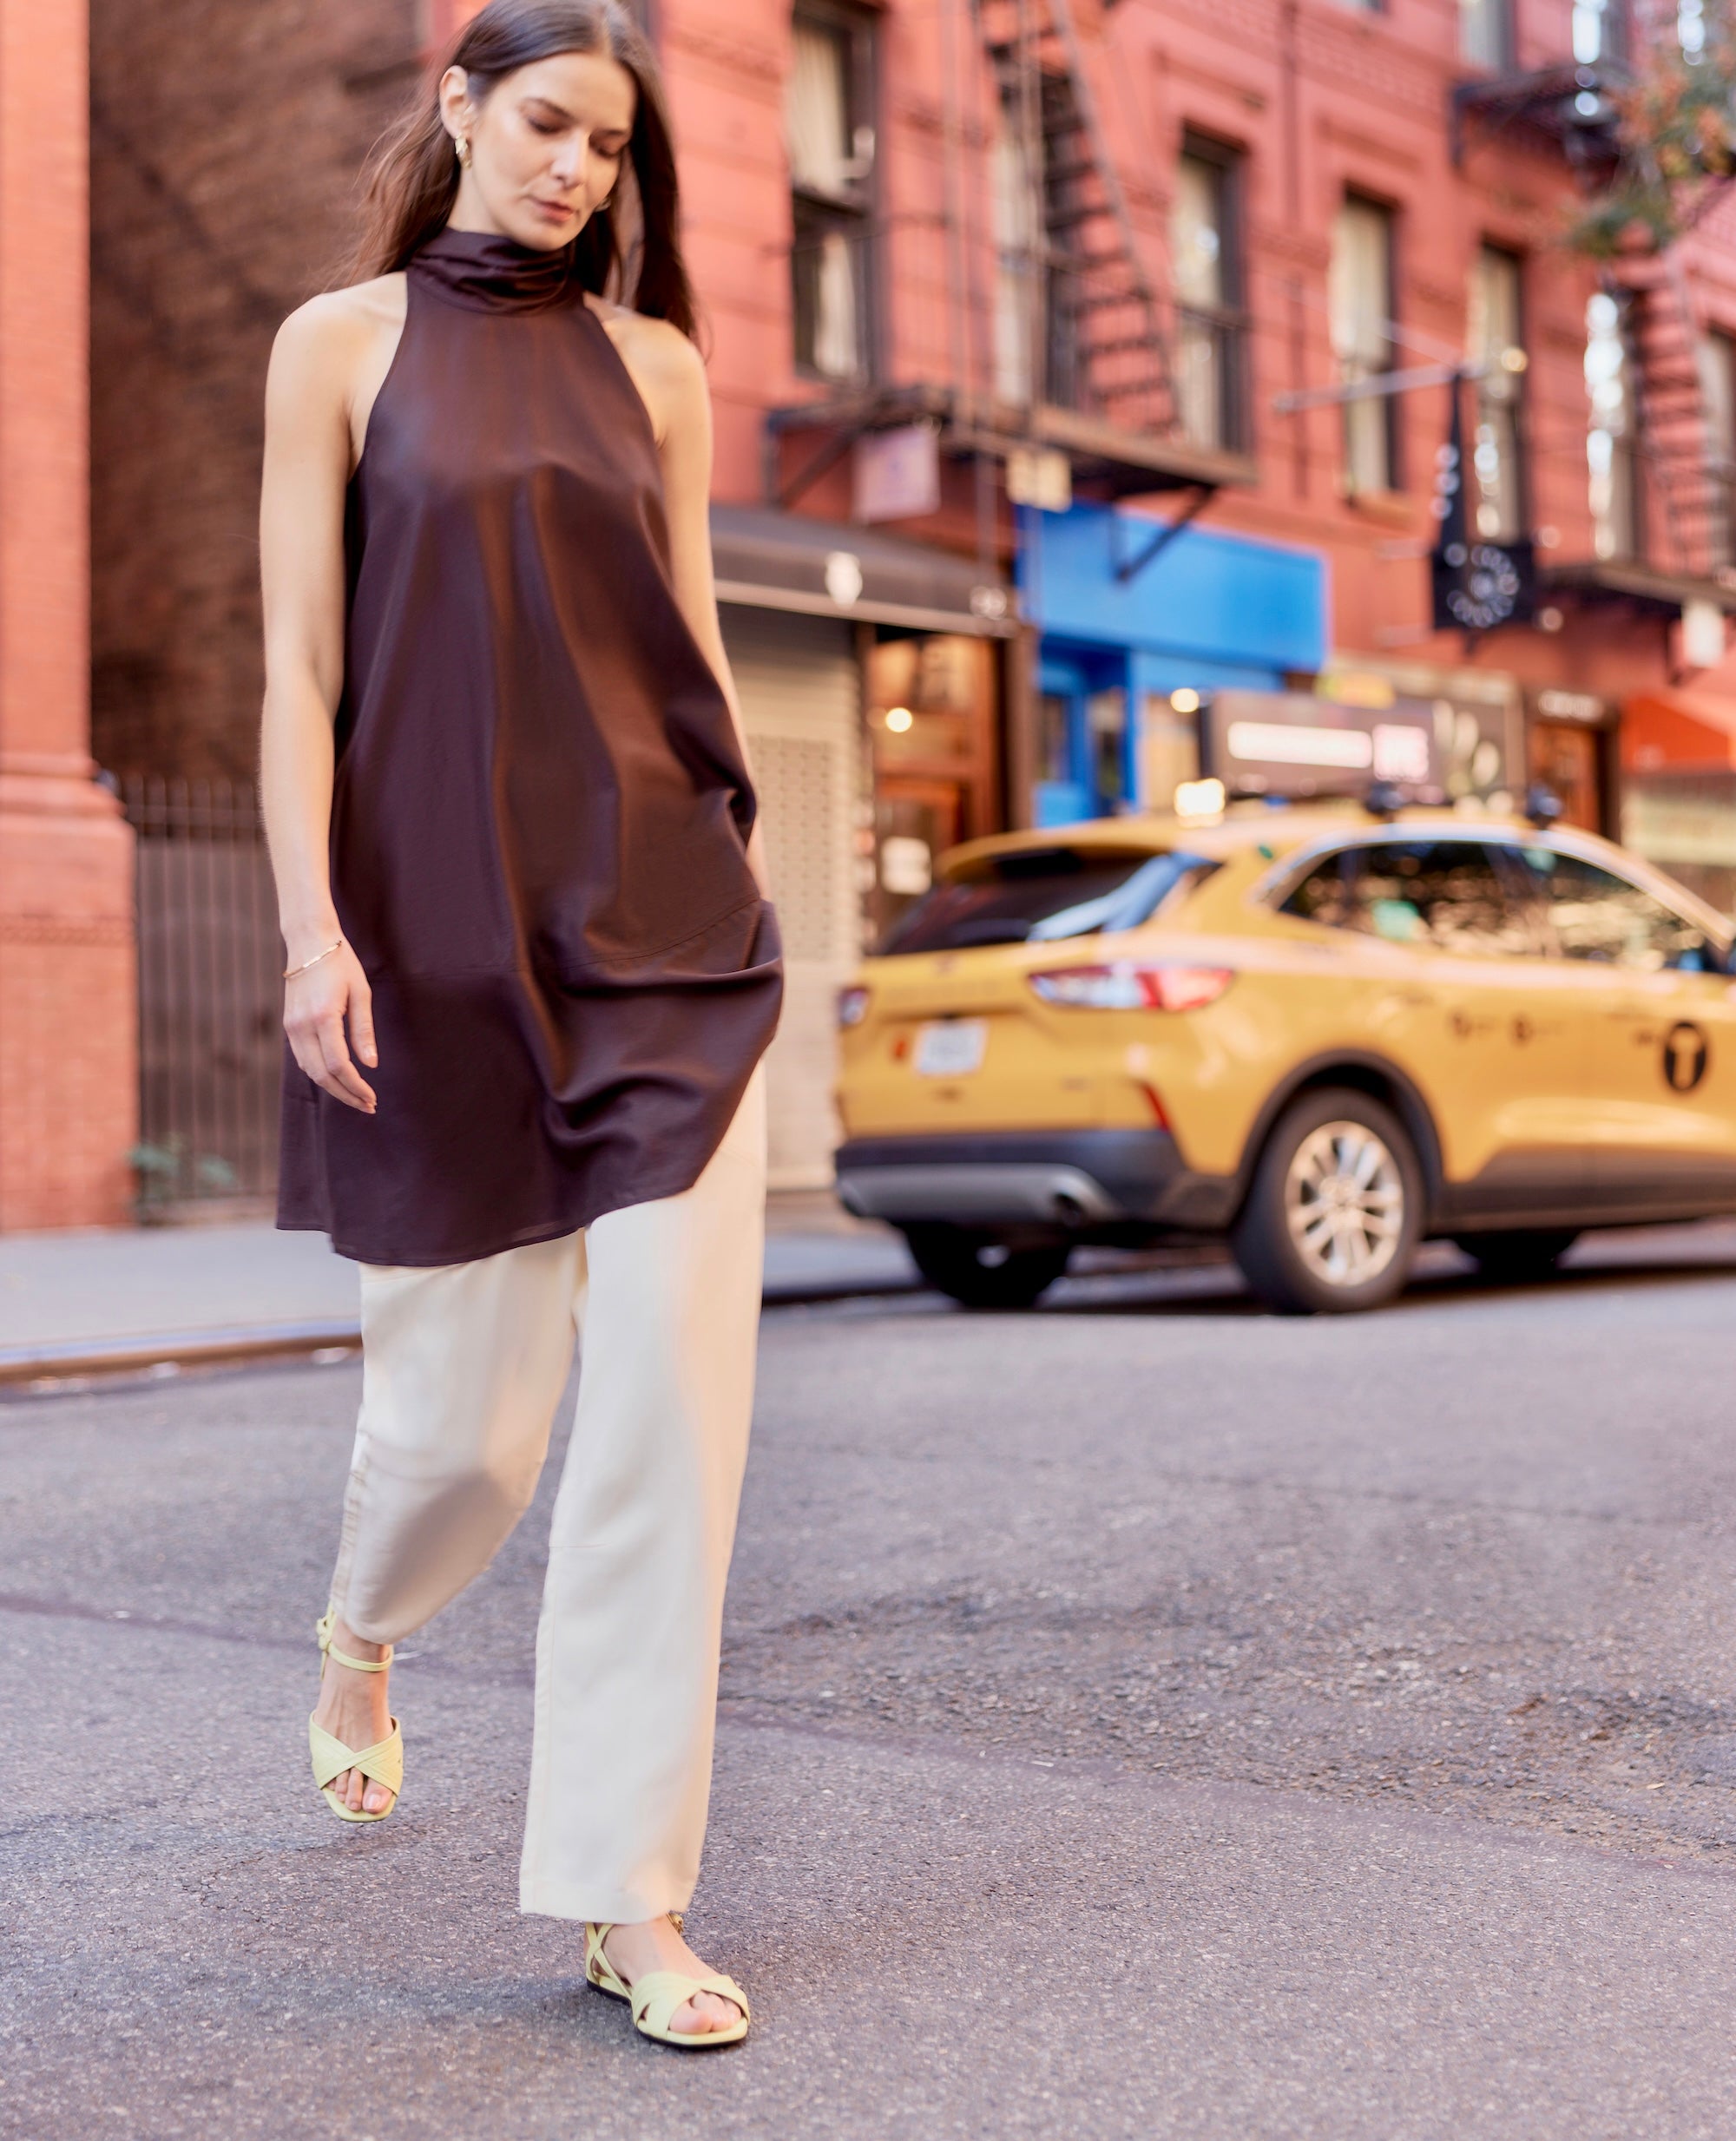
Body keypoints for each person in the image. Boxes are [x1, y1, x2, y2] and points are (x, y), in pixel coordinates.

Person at [258, 0, 782, 2049]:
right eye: (546, 122)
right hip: (438, 956)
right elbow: (301, 673)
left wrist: (748, 885)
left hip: (667, 945)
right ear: (462, 105)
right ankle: (361, 1627)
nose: (574, 168)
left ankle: (625, 1897)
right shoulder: (341, 346)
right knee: (462, 1436)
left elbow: (700, 658)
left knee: (664, 1424)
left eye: (609, 148)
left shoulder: (658, 372)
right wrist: (315, 934)